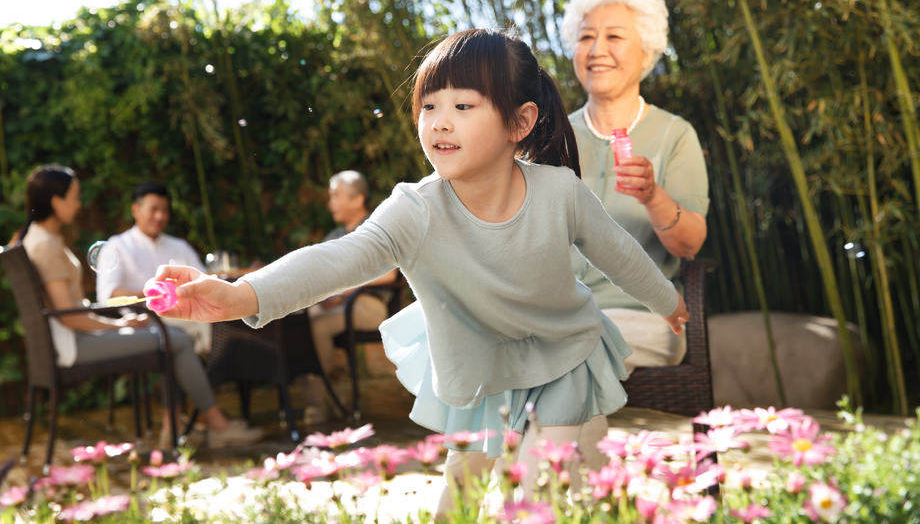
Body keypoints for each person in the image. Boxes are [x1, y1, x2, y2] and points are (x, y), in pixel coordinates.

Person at [150, 29, 688, 516]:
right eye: (428, 106)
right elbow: (340, 257)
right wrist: (243, 294)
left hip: (564, 356)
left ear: (518, 122)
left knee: (537, 495)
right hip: (479, 369)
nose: (439, 122)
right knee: (461, 496)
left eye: (462, 105)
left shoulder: (560, 193)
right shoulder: (416, 208)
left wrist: (666, 300)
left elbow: (618, 252)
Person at [559, 0, 709, 474]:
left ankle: (565, 500)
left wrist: (652, 195)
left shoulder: (673, 136)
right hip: (557, 314)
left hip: (645, 317)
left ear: (646, 51)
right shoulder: (548, 137)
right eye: (585, 36)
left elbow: (689, 244)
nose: (597, 48)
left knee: (570, 354)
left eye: (614, 36)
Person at [11, 165, 263, 449]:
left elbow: (67, 312)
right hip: (74, 343)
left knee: (172, 339)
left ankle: (179, 425)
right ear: (56, 201)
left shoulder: (39, 239)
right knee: (175, 339)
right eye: (75, 197)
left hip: (72, 338)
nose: (79, 204)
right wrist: (120, 325)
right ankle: (216, 424)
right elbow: (69, 317)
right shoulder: (46, 245)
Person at [303, 170, 398, 424]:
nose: (330, 203)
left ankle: (320, 404)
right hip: (337, 306)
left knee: (317, 327)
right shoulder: (334, 236)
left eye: (336, 196)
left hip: (369, 305)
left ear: (358, 200)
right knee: (299, 322)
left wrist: (344, 291)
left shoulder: (376, 228)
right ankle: (330, 399)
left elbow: (389, 275)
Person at [95, 182, 211, 354]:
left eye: (165, 210)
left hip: (185, 311)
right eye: (153, 209)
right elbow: (107, 295)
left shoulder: (180, 246)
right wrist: (155, 293)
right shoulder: (118, 246)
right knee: (210, 321)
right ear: (135, 210)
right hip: (147, 319)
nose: (160, 216)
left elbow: (205, 279)